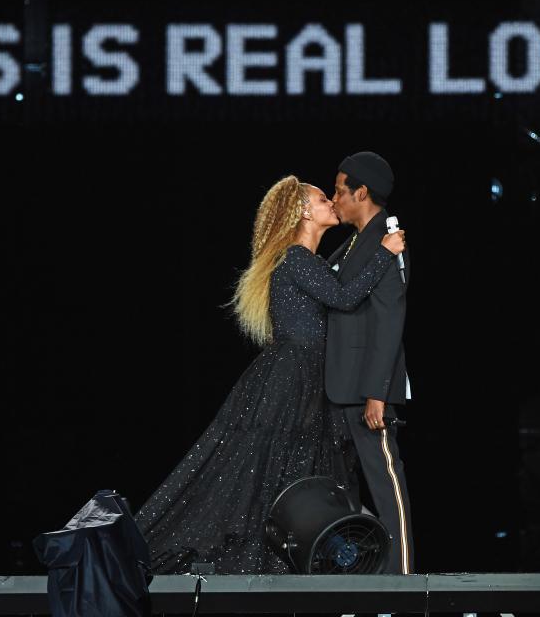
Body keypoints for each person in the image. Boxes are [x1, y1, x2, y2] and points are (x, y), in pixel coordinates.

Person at [133, 174, 405, 574]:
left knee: (293, 471)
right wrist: (384, 251)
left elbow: (339, 283)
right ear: (303, 212)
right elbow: (345, 298)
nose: (331, 201)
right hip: (290, 378)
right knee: (267, 470)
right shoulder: (296, 258)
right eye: (320, 198)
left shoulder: (308, 261)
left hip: (306, 378)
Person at [325, 151, 415, 575]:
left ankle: (403, 578)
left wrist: (377, 392)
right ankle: (363, 572)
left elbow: (389, 318)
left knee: (384, 482)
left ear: (362, 192)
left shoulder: (388, 237)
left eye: (340, 190)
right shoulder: (358, 240)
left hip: (367, 389)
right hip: (340, 385)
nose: (335, 197)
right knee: (343, 489)